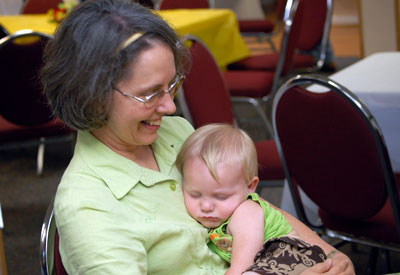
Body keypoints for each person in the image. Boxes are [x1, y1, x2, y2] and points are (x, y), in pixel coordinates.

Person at [40, 0, 355, 274]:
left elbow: (250, 205)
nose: (170, 106)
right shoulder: (89, 206)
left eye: (171, 85)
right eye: (149, 94)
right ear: (92, 97)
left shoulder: (175, 134)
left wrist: (330, 255)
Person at [176, 123, 331, 275]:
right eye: (195, 194)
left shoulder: (246, 212)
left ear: (251, 186)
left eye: (221, 196)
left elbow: (242, 266)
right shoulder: (218, 214)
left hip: (292, 256)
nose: (206, 206)